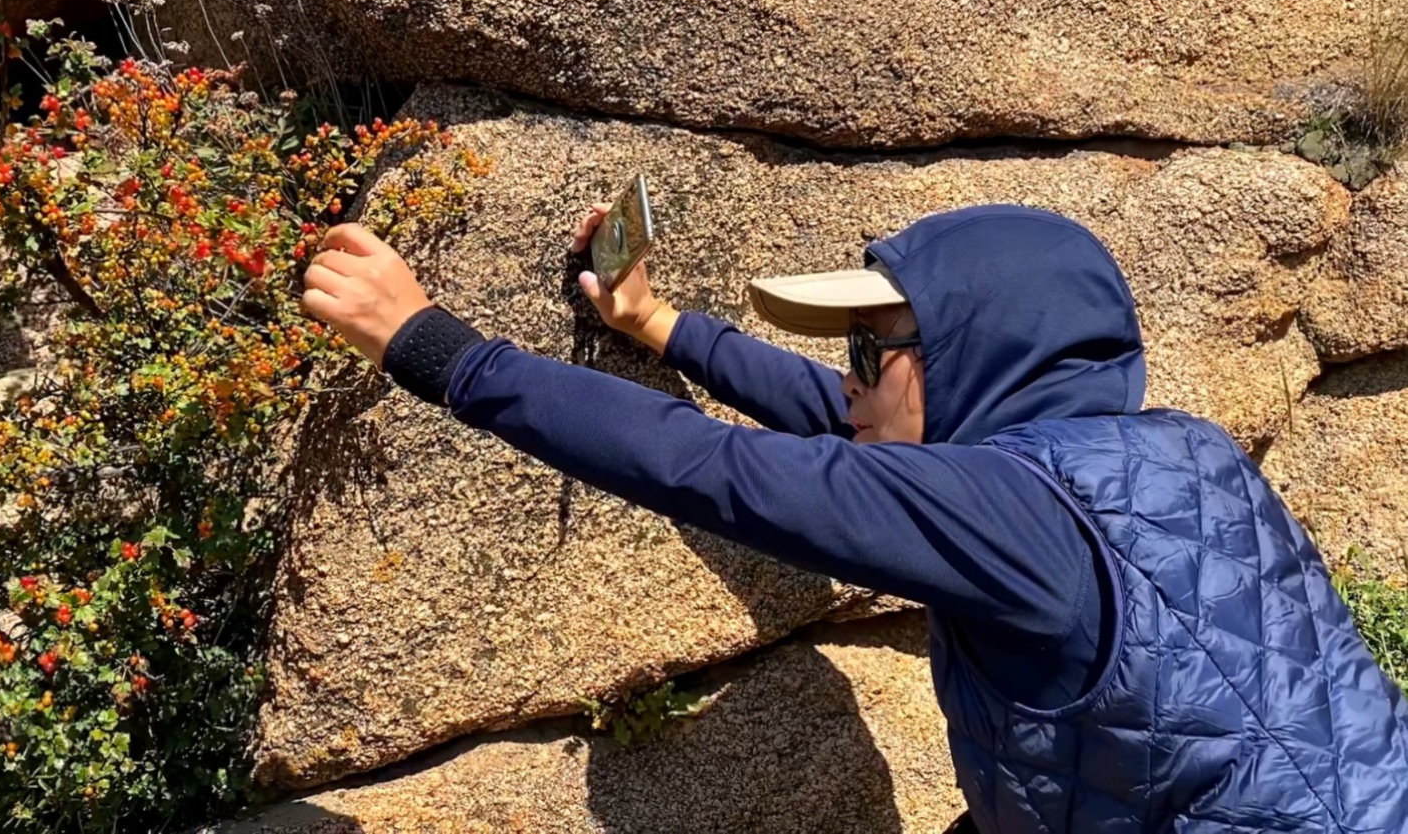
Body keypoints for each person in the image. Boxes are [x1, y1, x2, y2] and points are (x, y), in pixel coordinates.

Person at [300, 202, 1408, 832]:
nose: (855, 376)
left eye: (873, 349)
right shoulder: (1173, 453)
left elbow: (717, 470)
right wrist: (659, 324)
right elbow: (847, 425)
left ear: (972, 356)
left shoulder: (1012, 515)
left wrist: (435, 347)